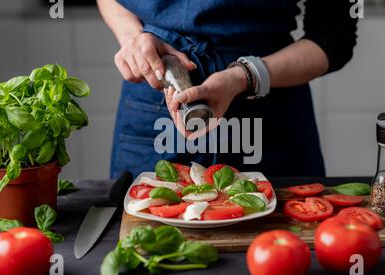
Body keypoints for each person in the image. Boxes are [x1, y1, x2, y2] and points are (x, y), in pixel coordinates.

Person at [97, 0, 358, 178]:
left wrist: (244, 76)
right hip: (155, 99)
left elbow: (334, 36)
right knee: (143, 242)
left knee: (281, 243)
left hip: (270, 101)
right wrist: (131, 38)